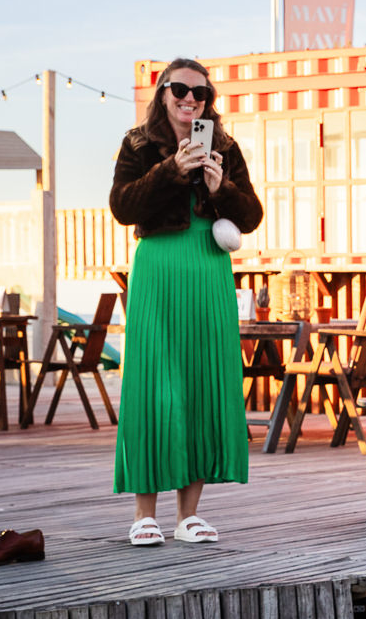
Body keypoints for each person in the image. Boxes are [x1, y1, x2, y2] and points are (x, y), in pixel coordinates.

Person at [108, 58, 263, 546]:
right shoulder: (137, 143)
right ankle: (143, 514)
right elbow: (122, 206)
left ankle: (189, 515)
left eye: (201, 93)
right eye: (180, 89)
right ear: (163, 92)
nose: (190, 99)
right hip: (158, 265)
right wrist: (170, 171)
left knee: (201, 381)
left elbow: (252, 216)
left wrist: (224, 189)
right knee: (153, 383)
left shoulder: (225, 146)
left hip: (207, 266)